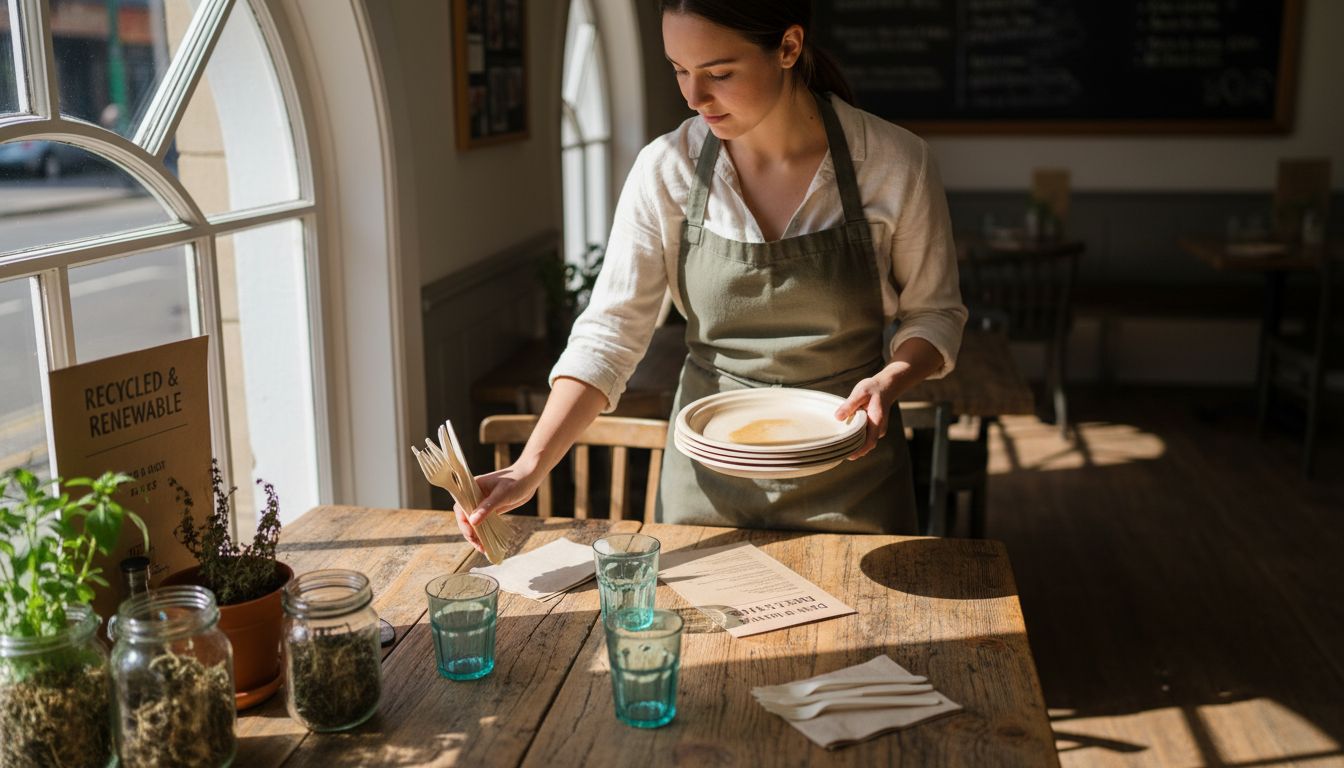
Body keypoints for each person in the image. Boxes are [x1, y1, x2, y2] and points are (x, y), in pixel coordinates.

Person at [455, 0, 965, 550]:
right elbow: (609, 335)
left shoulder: (894, 163)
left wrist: (894, 379)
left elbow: (935, 313)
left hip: (854, 482)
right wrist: (529, 466)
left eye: (719, 73)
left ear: (789, 48)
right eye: (679, 70)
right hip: (706, 492)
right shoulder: (666, 169)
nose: (694, 98)